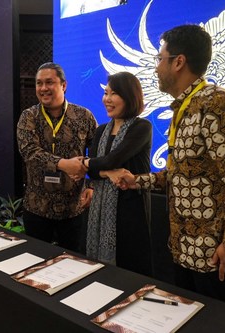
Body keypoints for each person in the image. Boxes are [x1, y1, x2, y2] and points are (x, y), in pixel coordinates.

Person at [116, 24, 225, 305]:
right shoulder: (185, 107)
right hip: (186, 250)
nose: (157, 67)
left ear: (178, 62)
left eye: (160, 59)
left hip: (215, 254)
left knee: (218, 324)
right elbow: (182, 174)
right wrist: (138, 180)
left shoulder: (218, 104)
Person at [16, 62, 97, 252]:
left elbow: (96, 154)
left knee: (73, 264)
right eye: (39, 83)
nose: (43, 88)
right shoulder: (28, 117)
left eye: (49, 82)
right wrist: (63, 164)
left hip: (73, 208)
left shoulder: (83, 116)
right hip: (37, 207)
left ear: (64, 85)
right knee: (36, 263)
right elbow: (29, 152)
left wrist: (92, 186)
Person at [82, 72, 153, 276]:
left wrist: (88, 163)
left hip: (131, 208)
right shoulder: (100, 131)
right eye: (106, 93)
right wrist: (107, 172)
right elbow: (94, 173)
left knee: (130, 270)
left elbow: (110, 160)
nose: (107, 99)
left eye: (114, 93)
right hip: (101, 207)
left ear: (130, 96)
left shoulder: (142, 127)